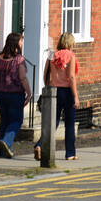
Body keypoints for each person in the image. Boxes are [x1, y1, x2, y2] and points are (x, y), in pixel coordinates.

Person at [35, 32, 81, 161]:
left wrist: (48, 87)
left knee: (52, 122)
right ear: (71, 43)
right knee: (69, 124)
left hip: (53, 91)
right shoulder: (71, 55)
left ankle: (39, 145)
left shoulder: (51, 55)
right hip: (67, 91)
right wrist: (76, 96)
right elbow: (71, 77)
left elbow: (45, 74)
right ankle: (70, 153)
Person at [0, 32, 31, 158]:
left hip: (0, 94)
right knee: (16, 120)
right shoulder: (18, 59)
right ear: (15, 43)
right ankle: (6, 141)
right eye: (20, 41)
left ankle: (2, 152)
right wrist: (29, 93)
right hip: (14, 94)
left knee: (4, 121)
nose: (22, 43)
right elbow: (23, 78)